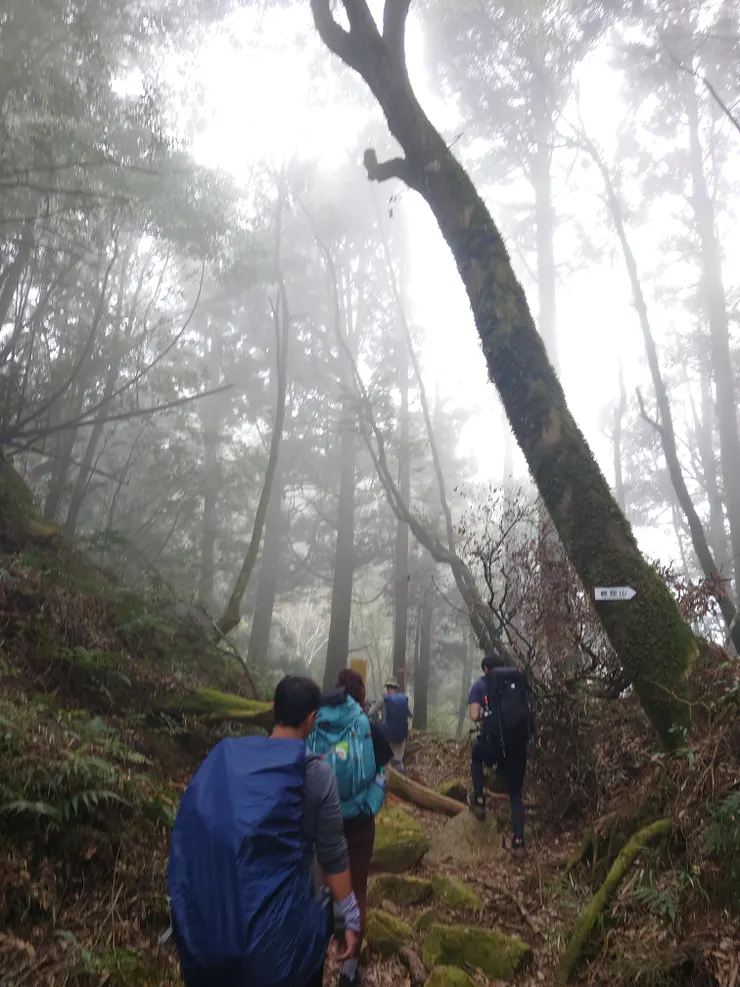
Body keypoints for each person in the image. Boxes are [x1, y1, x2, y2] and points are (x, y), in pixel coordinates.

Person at [167, 675, 360, 987]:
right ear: (312, 719)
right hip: (279, 943)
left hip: (213, 929)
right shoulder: (316, 773)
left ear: (273, 709)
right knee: (315, 918)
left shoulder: (228, 756)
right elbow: (333, 854)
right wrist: (349, 918)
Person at [308, 667, 393, 987]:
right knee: (356, 891)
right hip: (359, 822)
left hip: (320, 822)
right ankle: (348, 971)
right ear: (360, 696)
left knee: (318, 892)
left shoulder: (314, 722)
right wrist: (369, 804)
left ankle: (312, 965)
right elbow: (384, 772)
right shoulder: (369, 728)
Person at [467, 652, 535, 862]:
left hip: (495, 741)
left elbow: (474, 715)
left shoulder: (481, 685)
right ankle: (519, 843)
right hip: (518, 743)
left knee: (476, 756)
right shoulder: (515, 680)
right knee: (516, 793)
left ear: (486, 669)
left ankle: (478, 799)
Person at [369, 676, 412, 774]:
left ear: (387, 688)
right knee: (398, 761)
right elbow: (410, 715)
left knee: (385, 762)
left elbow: (370, 713)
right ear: (396, 688)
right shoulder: (403, 700)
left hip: (387, 735)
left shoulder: (383, 699)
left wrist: (372, 707)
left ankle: (384, 781)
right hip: (401, 735)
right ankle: (401, 779)